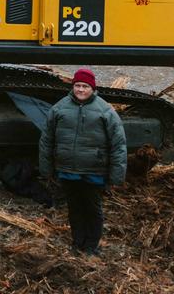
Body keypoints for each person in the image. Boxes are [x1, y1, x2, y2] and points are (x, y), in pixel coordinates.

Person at [39, 68, 127, 256]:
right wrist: (46, 169)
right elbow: (47, 140)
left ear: (92, 88)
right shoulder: (60, 108)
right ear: (73, 87)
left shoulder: (105, 111)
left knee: (92, 207)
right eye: (77, 85)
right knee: (74, 207)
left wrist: (116, 176)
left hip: (93, 170)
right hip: (68, 169)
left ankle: (91, 245)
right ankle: (77, 242)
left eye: (85, 86)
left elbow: (118, 144)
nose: (80, 90)